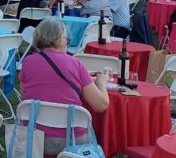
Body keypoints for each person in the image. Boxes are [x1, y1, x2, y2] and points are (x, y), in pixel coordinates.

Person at [18, 19, 110, 155]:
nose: (67, 42)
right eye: (66, 38)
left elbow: (25, 96)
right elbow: (101, 105)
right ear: (60, 39)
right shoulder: (76, 64)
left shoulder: (28, 62)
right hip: (72, 139)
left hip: (34, 137)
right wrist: (101, 83)